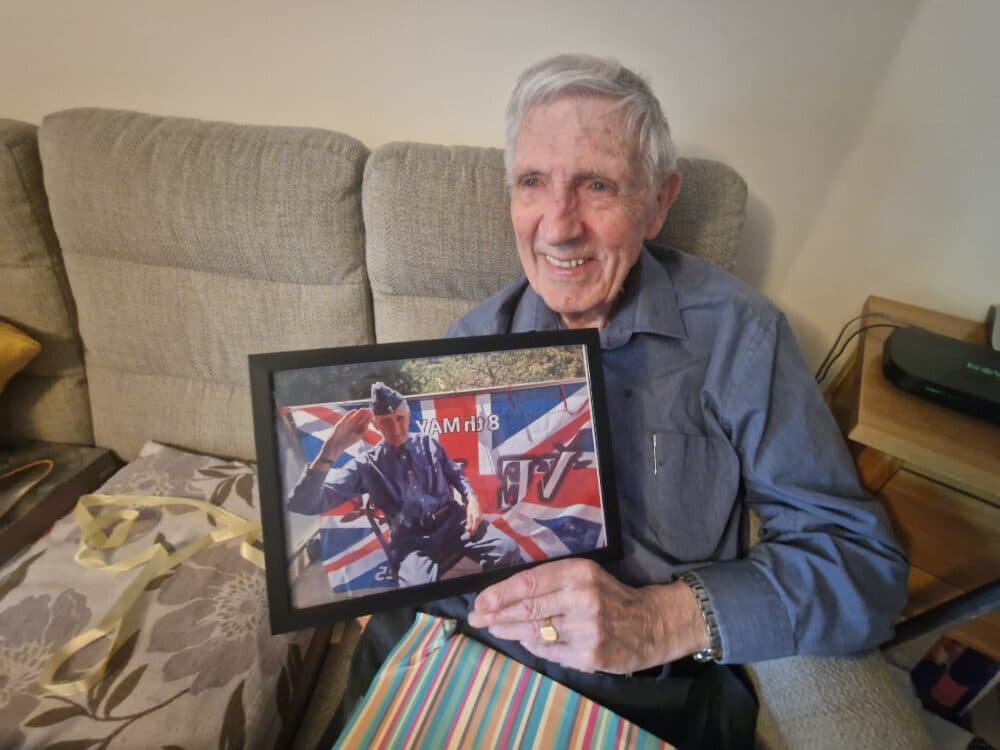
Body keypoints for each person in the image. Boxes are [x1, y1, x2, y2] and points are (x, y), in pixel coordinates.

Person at [332, 55, 909, 747]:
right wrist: (369, 579)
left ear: (659, 203)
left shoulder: (738, 339)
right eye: (532, 183)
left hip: (642, 691)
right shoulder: (472, 343)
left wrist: (660, 621)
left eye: (597, 186)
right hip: (475, 660)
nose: (557, 227)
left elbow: (864, 569)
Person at [287, 382, 520, 586]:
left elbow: (456, 475)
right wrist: (330, 450)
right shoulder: (365, 465)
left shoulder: (428, 443)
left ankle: (489, 604)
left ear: (408, 416)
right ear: (375, 424)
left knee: (507, 551)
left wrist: (472, 499)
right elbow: (304, 504)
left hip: (452, 523)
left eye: (399, 418)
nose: (396, 428)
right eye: (386, 422)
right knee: (416, 590)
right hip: (410, 540)